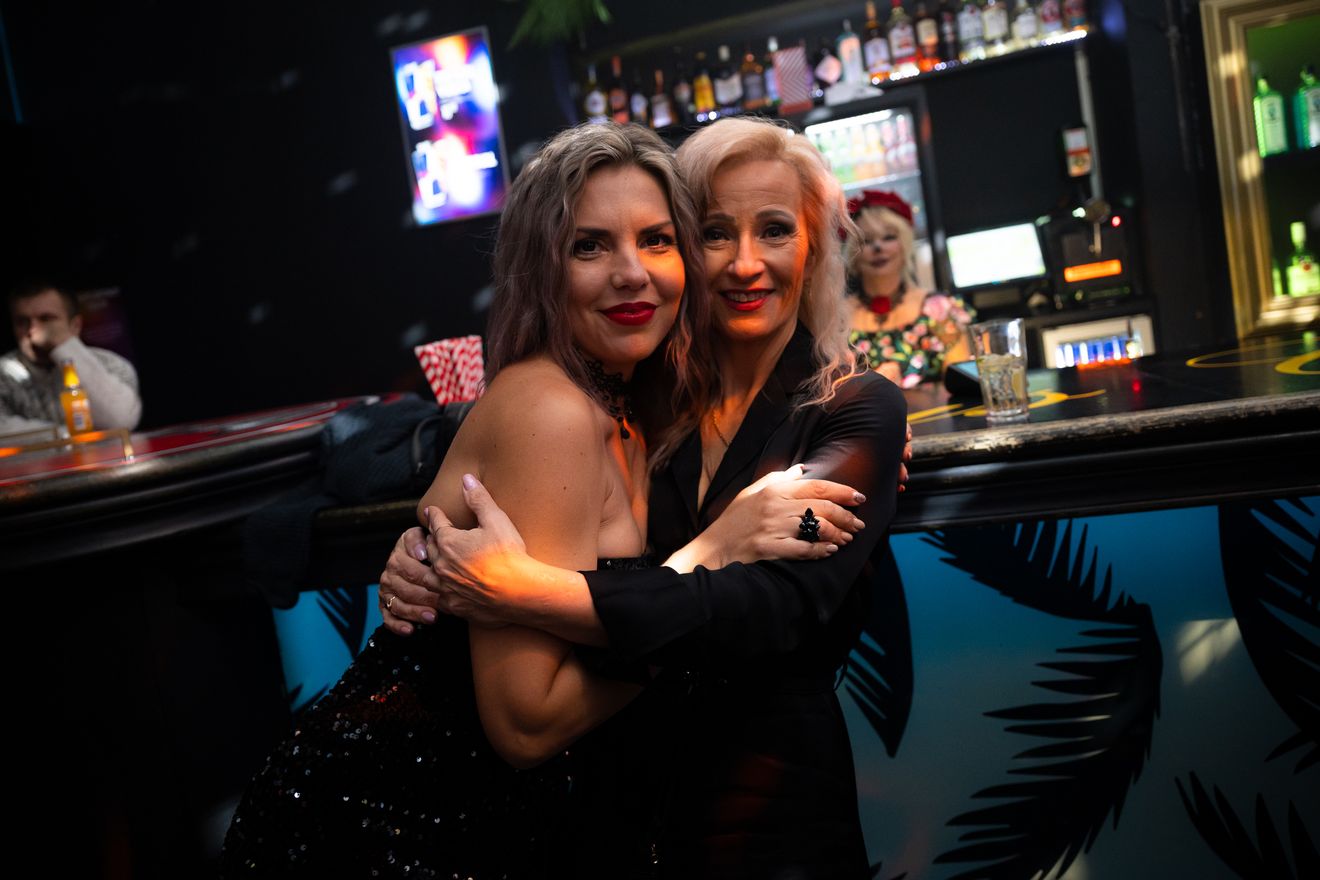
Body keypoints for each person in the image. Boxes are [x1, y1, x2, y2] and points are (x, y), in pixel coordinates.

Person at [220, 122, 857, 878]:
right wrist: (713, 552)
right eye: (590, 246)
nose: (632, 274)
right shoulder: (552, 413)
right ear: (542, 269)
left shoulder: (637, 406)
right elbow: (526, 723)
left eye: (656, 240)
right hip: (390, 830)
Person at [380, 116, 910, 877]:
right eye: (716, 233)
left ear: (816, 248)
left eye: (775, 230)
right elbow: (511, 460)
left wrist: (524, 591)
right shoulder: (640, 402)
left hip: (770, 804)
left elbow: (776, 606)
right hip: (621, 801)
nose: (745, 263)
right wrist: (418, 544)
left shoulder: (855, 408)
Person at [845, 190, 976, 388]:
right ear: (852, 251)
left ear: (905, 244)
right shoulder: (833, 320)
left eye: (888, 237)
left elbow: (963, 383)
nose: (878, 247)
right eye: (866, 240)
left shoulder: (941, 310)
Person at [1, 281, 142, 435]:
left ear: (75, 325)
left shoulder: (111, 364)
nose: (32, 330)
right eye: (22, 322)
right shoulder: (4, 373)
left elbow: (120, 421)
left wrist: (64, 346)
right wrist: (66, 437)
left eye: (46, 319)